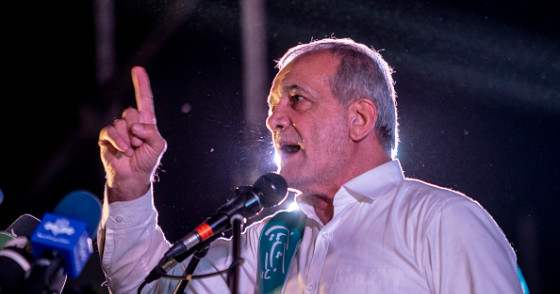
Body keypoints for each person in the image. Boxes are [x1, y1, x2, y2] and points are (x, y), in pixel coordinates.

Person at [97, 38, 523, 293]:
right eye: (273, 106)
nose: (274, 118)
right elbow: (147, 285)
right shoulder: (270, 239)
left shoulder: (442, 221)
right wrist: (129, 187)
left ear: (359, 119)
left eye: (297, 99)